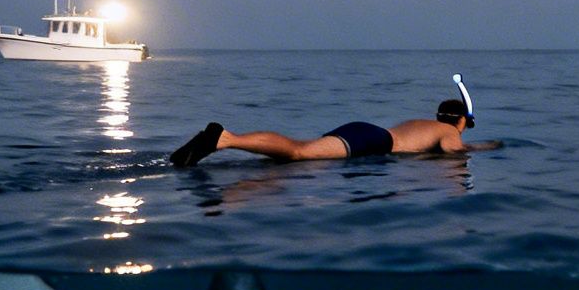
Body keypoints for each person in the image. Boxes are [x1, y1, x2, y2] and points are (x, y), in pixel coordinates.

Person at [169, 99, 496, 166]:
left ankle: (227, 141)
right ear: (463, 121)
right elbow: (454, 154)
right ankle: (226, 139)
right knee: (298, 154)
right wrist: (484, 149)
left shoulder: (422, 123)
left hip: (366, 131)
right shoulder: (449, 131)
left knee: (295, 153)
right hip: (375, 142)